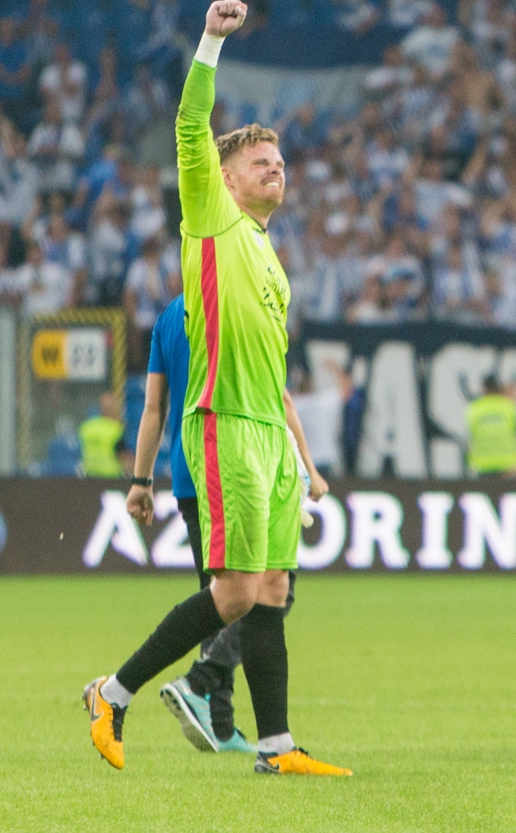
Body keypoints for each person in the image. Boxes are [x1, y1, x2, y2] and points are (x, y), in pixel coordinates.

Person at [82, 0, 351, 777]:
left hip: (268, 435)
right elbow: (189, 122)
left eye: (282, 164)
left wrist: (299, 455)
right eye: (263, 164)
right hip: (223, 422)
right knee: (231, 590)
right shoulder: (212, 217)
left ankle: (276, 746)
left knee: (269, 587)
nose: (279, 171)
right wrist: (210, 40)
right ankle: (115, 690)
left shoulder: (270, 256)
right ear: (226, 179)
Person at [125, 295, 329, 754]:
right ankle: (199, 684)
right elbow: (279, 398)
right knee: (267, 591)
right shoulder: (238, 307)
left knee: (220, 595)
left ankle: (218, 723)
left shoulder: (165, 319)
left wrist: (141, 479)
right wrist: (308, 468)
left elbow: (153, 408)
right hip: (234, 464)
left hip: (186, 470)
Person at [467, 373, 516, 478]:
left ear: (484, 390)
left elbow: (472, 432)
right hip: (508, 462)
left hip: (482, 462)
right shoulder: (510, 406)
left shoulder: (474, 408)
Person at [79, 391, 129, 478]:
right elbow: (123, 456)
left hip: (88, 475)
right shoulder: (116, 429)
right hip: (112, 477)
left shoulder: (86, 427)